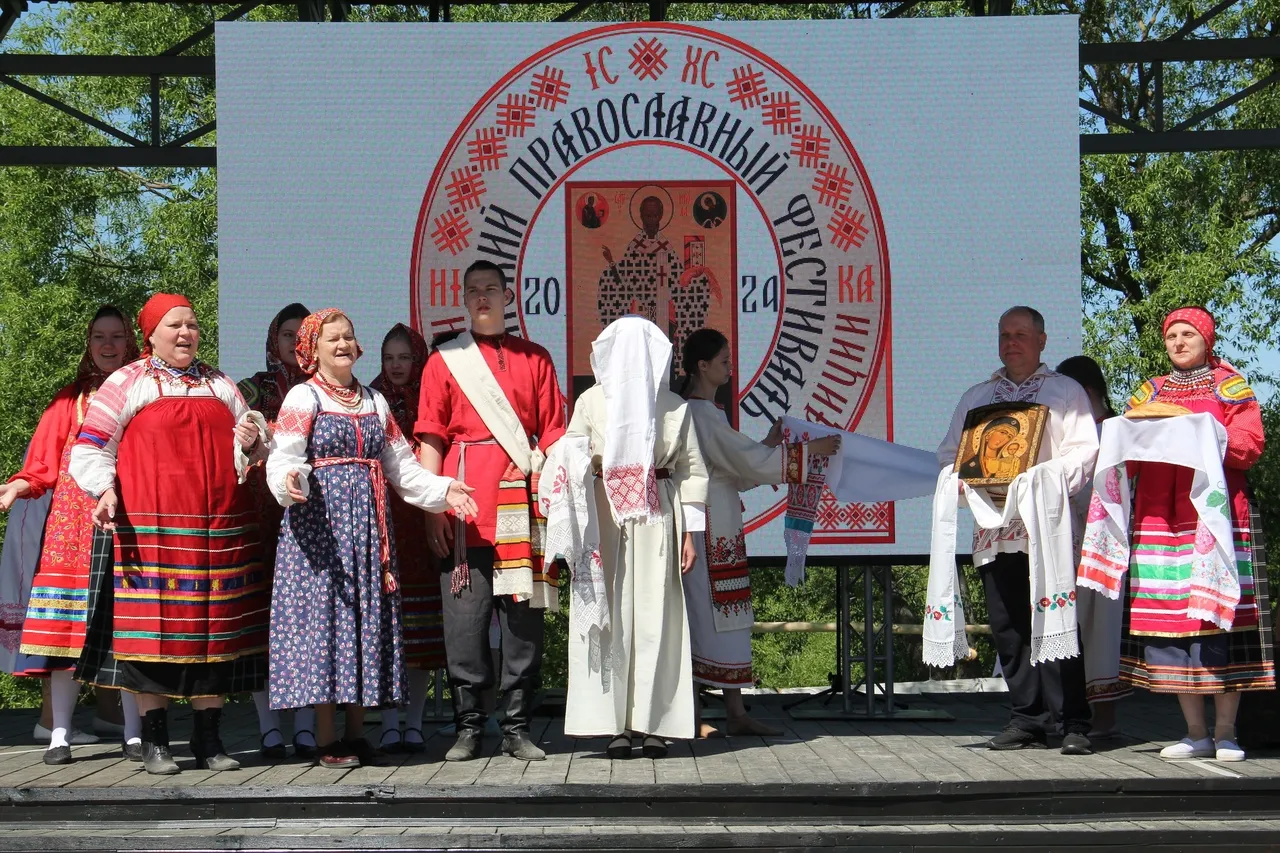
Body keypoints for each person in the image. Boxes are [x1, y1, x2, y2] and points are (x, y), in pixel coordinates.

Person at [69, 293, 272, 776]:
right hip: (152, 530)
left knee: (214, 633)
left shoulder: (220, 383)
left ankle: (209, 739)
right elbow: (90, 448)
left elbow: (256, 447)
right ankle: (157, 741)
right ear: (151, 335)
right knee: (152, 634)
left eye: (192, 325)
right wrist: (105, 491)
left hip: (217, 530)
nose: (185, 333)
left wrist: (251, 440)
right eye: (174, 325)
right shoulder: (128, 381)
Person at [266, 309, 477, 770]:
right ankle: (326, 737)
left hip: (366, 529)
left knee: (362, 622)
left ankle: (358, 733)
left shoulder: (373, 401)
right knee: (326, 625)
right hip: (319, 530)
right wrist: (290, 482)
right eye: (332, 339)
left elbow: (401, 467)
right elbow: (282, 457)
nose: (343, 344)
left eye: (348, 336)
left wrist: (443, 490)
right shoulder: (304, 397)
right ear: (312, 349)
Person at [1102, 308, 1272, 761]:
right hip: (1160, 520)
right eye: (1171, 335)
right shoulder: (1150, 391)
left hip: (1214, 518)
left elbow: (1250, 444)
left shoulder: (1228, 385)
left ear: (1206, 338)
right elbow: (1128, 452)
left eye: (1187, 334)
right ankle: (1195, 732)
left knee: (1219, 620)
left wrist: (1203, 433)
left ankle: (1228, 732)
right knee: (1173, 620)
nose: (1178, 342)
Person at [416, 260, 567, 762]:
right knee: (465, 621)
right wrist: (432, 506)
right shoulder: (444, 361)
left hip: (522, 504)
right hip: (465, 507)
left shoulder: (536, 358)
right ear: (463, 299)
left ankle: (518, 726)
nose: (482, 297)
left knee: (523, 621)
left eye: (491, 289)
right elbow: (432, 437)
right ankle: (468, 727)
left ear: (508, 297)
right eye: (473, 290)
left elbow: (554, 435)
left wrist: (556, 498)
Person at [936, 306, 1098, 754]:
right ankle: (1027, 717)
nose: (1012, 342)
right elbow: (949, 455)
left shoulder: (1064, 392)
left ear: (1042, 340)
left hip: (1045, 529)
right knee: (1008, 624)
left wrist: (1036, 481)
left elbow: (1085, 452)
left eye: (1021, 334)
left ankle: (1073, 722)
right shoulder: (978, 397)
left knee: (1056, 617)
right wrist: (968, 477)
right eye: (1005, 334)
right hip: (995, 528)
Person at [676, 328, 838, 737]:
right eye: (725, 362)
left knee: (726, 614)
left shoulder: (707, 414)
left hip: (720, 524)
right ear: (703, 365)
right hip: (705, 526)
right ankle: (692, 717)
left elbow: (739, 468)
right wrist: (805, 454)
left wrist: (768, 445)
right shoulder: (698, 414)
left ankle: (734, 711)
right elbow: (747, 464)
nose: (730, 369)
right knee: (702, 615)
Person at [561, 316, 709, 759]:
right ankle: (614, 724)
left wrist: (692, 535)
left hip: (657, 514)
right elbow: (570, 451)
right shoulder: (591, 401)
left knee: (655, 616)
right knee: (611, 614)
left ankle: (654, 724)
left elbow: (691, 470)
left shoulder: (673, 407)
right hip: (604, 517)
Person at [0, 307, 141, 765]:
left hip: (127, 519)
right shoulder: (70, 400)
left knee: (128, 625)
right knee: (63, 628)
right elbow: (42, 462)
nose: (107, 345)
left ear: (130, 342)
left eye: (116, 336)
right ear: (88, 342)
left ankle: (135, 732)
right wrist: (20, 484)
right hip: (72, 526)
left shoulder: (145, 390)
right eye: (99, 336)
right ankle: (59, 733)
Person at [237, 302, 317, 762]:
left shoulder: (324, 390)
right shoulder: (252, 388)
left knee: (307, 621)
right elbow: (238, 443)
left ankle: (305, 728)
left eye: (301, 335)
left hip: (311, 518)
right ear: (274, 339)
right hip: (261, 524)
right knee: (261, 624)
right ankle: (269, 729)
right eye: (286, 335)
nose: (293, 343)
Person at [370, 323, 443, 754]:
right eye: (388, 358)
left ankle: (413, 722)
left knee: (420, 630)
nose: (396, 366)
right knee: (384, 628)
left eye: (404, 358)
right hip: (379, 520)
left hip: (419, 523)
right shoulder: (369, 400)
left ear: (418, 359)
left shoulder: (430, 400)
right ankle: (389, 721)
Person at [1056, 355, 1126, 740]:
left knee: (1101, 630)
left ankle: (1104, 717)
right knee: (1068, 626)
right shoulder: (1064, 436)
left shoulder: (1116, 430)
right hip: (1068, 542)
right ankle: (1066, 713)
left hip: (1106, 544)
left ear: (1088, 391)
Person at [598, 195, 680, 332]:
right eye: (648, 216)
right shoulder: (635, 246)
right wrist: (611, 262)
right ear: (641, 217)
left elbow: (678, 277)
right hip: (640, 306)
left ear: (660, 216)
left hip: (663, 308)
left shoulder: (666, 247)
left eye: (655, 215)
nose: (652, 220)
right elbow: (623, 278)